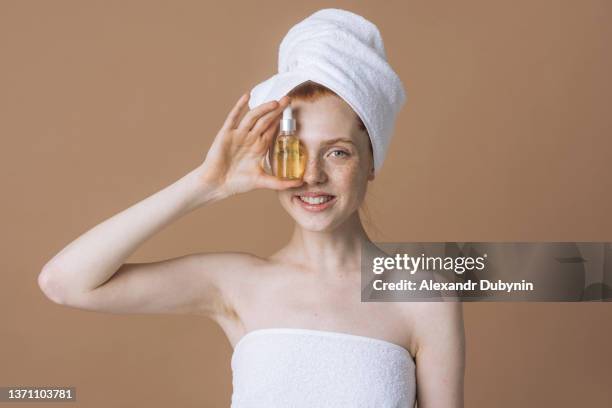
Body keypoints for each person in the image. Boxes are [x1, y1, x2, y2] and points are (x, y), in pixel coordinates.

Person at [38, 80, 464, 407]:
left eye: (337, 153)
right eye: (292, 150)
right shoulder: (236, 283)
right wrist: (207, 184)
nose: (312, 175)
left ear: (371, 161)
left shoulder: (424, 298)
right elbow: (65, 282)